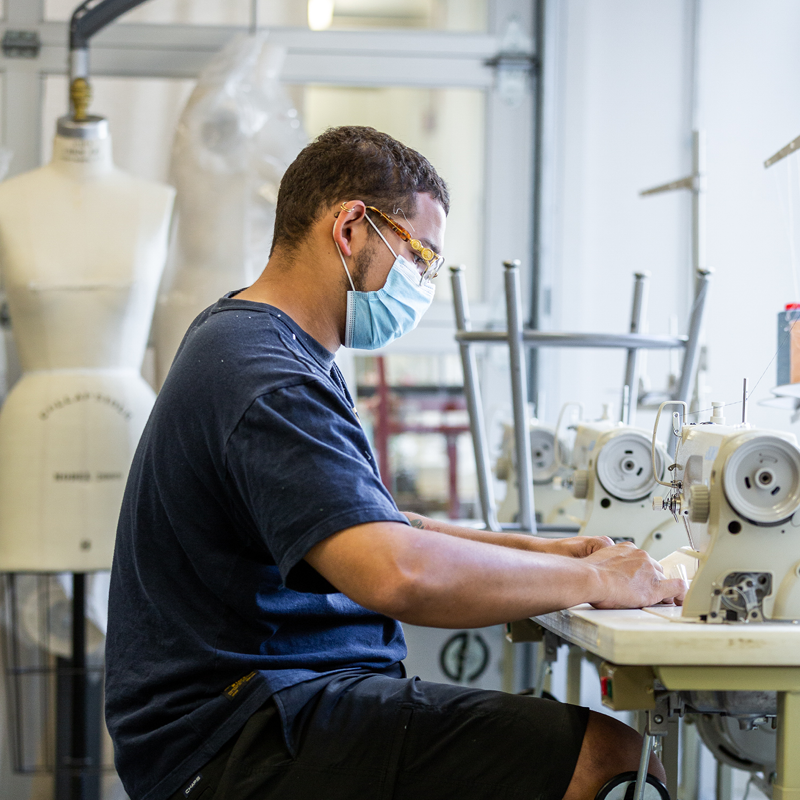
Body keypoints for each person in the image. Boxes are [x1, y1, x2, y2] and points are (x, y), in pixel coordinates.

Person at [105, 125, 686, 800]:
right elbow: (397, 572)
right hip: (239, 734)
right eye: (419, 257)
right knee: (608, 757)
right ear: (351, 227)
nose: (423, 285)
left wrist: (554, 556)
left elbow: (382, 524)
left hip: (267, 703)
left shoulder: (259, 344)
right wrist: (598, 582)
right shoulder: (266, 373)